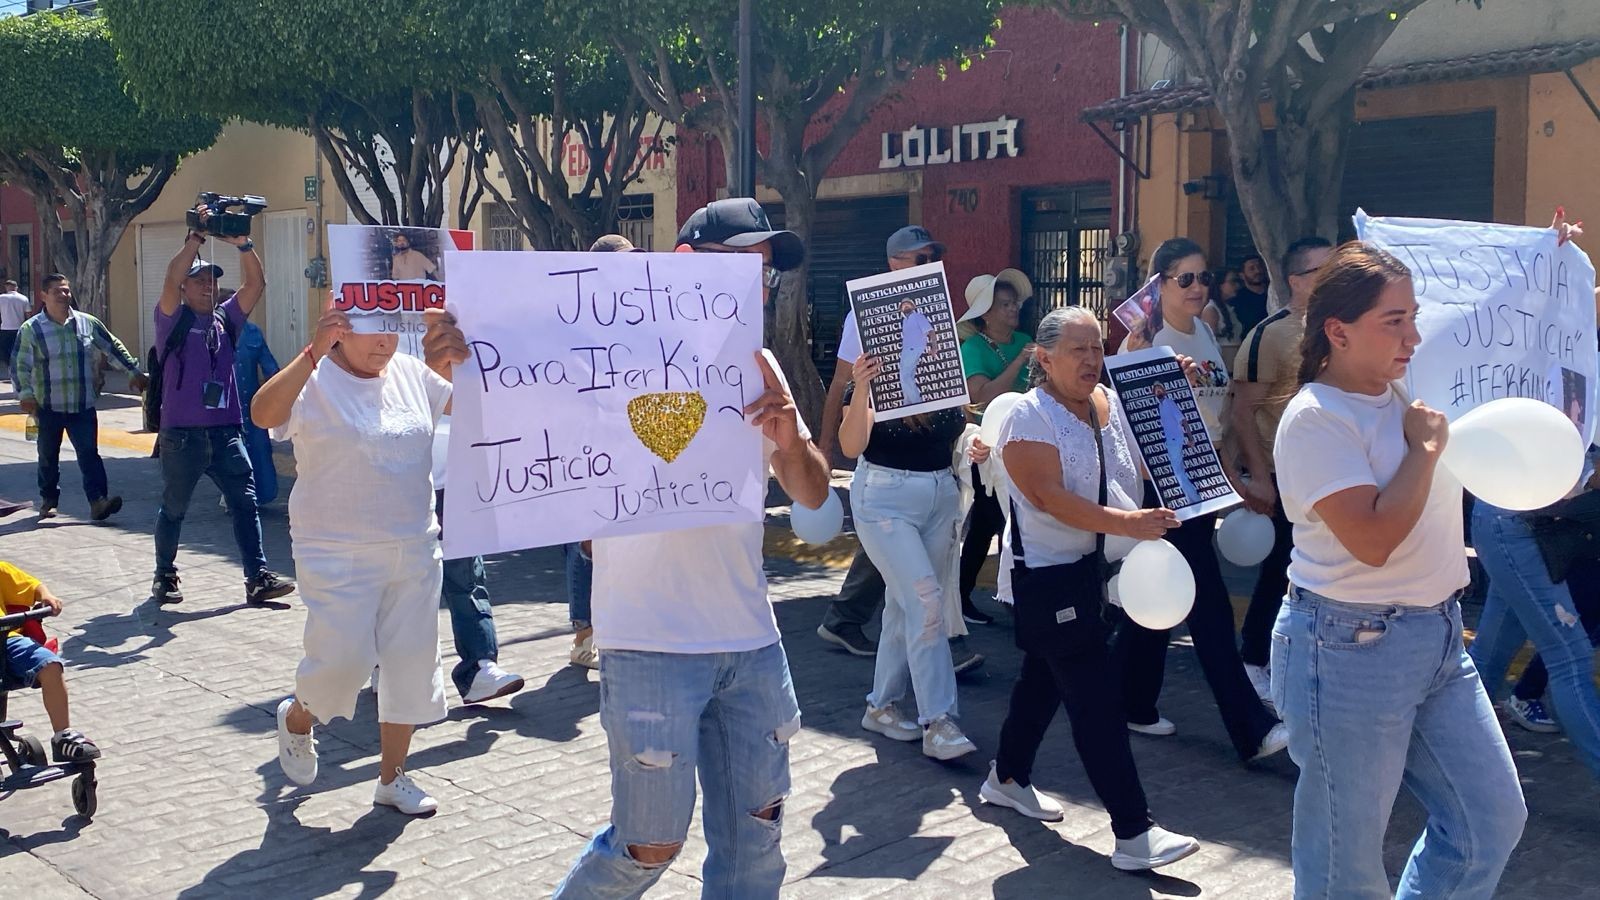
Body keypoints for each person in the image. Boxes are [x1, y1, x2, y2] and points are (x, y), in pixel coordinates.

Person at [428, 197, 829, 897]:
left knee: (757, 847)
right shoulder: (600, 355)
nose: (757, 285)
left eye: (764, 274)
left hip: (753, 648)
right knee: (646, 847)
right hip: (648, 647)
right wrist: (455, 365)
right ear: (682, 265)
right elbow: (505, 409)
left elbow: (814, 493)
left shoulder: (759, 364)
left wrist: (792, 439)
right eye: (743, 266)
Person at [1272, 242, 1526, 898]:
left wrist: (1547, 264)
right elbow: (1375, 540)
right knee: (1345, 866)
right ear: (1338, 330)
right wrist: (1425, 451)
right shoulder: (1315, 420)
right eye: (1395, 321)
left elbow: (1506, 323)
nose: (1413, 335)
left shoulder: (1408, 382)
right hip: (1348, 649)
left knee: (1490, 820)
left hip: (1440, 640)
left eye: (1414, 317)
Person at [981, 307, 1200, 871]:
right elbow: (1051, 498)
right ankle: (1133, 831)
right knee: (1095, 702)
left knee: (1041, 683)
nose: (1090, 360)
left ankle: (1006, 778)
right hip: (1052, 578)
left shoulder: (1109, 402)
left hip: (1102, 575)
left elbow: (1144, 464)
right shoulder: (1029, 418)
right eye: (1077, 350)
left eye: (1097, 349)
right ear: (1044, 358)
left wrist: (1168, 388)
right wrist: (1130, 524)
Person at [254, 294, 453, 815]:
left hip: (413, 545)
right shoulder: (314, 378)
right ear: (340, 326)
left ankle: (393, 778)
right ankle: (299, 718)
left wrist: (452, 345)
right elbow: (261, 413)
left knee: (410, 667)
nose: (386, 342)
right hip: (334, 550)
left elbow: (466, 404)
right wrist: (311, 353)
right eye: (373, 331)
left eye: (393, 331)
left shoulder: (411, 372)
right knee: (341, 664)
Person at [1117, 238, 1285, 762]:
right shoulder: (1143, 340)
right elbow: (1138, 424)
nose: (1197, 287)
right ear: (1158, 283)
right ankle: (1250, 728)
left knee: (1163, 596)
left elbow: (1219, 410)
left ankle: (1131, 701)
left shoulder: (1206, 331)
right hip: (1165, 482)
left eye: (1203, 276)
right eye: (1184, 278)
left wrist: (1230, 471)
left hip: (1203, 476)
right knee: (1206, 603)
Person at [815, 225, 982, 674]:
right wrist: (828, 448)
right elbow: (842, 383)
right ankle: (940, 649)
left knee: (902, 553)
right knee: (908, 559)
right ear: (894, 264)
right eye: (920, 260)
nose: (930, 268)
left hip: (930, 455)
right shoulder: (863, 316)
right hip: (887, 456)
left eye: (933, 260)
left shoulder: (936, 313)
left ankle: (849, 621)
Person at [151, 210, 295, 607]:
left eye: (212, 280)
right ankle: (165, 575)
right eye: (198, 280)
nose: (208, 287)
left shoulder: (225, 321)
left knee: (245, 504)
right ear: (183, 287)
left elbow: (256, 284)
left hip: (227, 431)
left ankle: (257, 577)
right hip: (182, 436)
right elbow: (167, 277)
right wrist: (194, 238)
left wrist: (244, 244)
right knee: (174, 508)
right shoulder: (171, 320)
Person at [840, 353, 976, 760]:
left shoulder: (942, 371)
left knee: (906, 607)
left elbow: (955, 428)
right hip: (884, 500)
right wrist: (862, 386)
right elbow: (851, 445)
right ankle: (939, 721)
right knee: (925, 602)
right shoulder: (869, 380)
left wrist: (974, 442)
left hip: (939, 495)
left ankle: (880, 705)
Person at [1231, 236, 1334, 702]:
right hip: (1281, 473)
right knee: (1282, 571)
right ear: (1296, 280)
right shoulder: (1270, 334)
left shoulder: (1341, 328)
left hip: (1328, 473)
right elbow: (1243, 410)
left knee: (1318, 572)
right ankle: (1253, 660)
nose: (1334, 279)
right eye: (1322, 271)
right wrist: (1256, 475)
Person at [563, 233, 640, 671]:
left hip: (627, 441)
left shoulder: (635, 312)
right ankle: (583, 634)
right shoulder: (578, 316)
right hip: (584, 443)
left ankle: (603, 630)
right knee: (586, 542)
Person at [13, 274, 147, 521]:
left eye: (66, 290)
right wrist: (25, 394)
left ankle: (98, 502)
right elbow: (20, 365)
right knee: (47, 456)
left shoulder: (87, 323)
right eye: (57, 291)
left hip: (82, 405)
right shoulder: (32, 329)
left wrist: (133, 371)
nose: (64, 295)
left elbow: (111, 345)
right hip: (47, 407)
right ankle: (49, 499)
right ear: (43, 296)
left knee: (89, 454)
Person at [957, 269, 1036, 626]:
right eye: (1004, 305)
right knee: (1001, 520)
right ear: (985, 314)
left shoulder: (1025, 339)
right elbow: (981, 395)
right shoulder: (973, 348)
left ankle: (967, 595)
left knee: (992, 522)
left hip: (1023, 439)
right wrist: (1021, 361)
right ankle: (1013, 600)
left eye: (1014, 303)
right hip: (987, 445)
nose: (1013, 309)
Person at [2, 560, 101, 762]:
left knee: (50, 664)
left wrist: (46, 596)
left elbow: (31, 585)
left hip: (6, 640)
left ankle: (62, 736)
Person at [233, 317, 280, 504]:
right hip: (250, 406)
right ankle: (253, 495)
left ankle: (239, 497)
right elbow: (272, 370)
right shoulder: (252, 332)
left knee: (237, 452)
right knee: (257, 450)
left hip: (239, 406)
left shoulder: (211, 332)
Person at [1150, 381, 1200, 507]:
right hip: (1170, 440)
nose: (1158, 391)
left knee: (1178, 472)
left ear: (1165, 391)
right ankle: (1191, 499)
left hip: (1175, 440)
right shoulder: (1161, 406)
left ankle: (1195, 499)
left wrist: (1191, 438)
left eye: (1160, 388)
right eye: (1156, 390)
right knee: (1179, 470)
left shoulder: (1169, 403)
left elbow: (1183, 420)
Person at [1202, 268, 1243, 372]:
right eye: (1232, 282)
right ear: (1220, 285)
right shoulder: (1211, 310)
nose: (1237, 286)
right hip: (1224, 366)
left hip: (1236, 366)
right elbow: (1209, 343)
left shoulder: (1229, 308)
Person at [1235, 253, 1270, 333]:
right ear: (1242, 275)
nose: (1258, 271)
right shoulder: (1238, 299)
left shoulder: (1274, 294)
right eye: (1252, 269)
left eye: (1259, 267)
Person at [0, 279, 27, 380]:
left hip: (5, 328)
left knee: (5, 351)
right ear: (16, 287)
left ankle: (10, 369)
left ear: (7, 287)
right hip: (19, 329)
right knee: (19, 350)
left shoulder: (1, 298)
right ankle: (17, 369)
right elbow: (28, 315)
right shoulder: (23, 298)